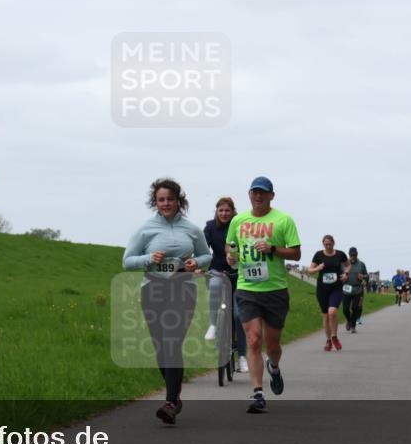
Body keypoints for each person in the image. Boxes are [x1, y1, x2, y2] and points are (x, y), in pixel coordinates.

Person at [123, 178, 212, 425]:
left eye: (170, 199)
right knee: (160, 346)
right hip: (153, 289)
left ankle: (171, 402)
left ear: (178, 200)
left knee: (172, 342)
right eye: (161, 200)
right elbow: (127, 261)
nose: (166, 204)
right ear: (155, 202)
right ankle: (175, 395)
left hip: (183, 288)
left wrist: (196, 262)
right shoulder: (146, 229)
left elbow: (206, 255)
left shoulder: (191, 229)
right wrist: (149, 258)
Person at [225, 177, 302, 414]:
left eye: (263, 193)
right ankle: (258, 393)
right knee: (253, 339)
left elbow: (296, 254)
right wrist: (231, 256)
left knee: (273, 345)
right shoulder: (238, 220)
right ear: (249, 194)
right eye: (254, 192)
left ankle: (274, 367)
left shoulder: (283, 220)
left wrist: (272, 249)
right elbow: (230, 246)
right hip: (247, 288)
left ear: (271, 195)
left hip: (275, 290)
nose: (258, 196)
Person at [203, 197, 248, 372]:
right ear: (216, 211)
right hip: (217, 271)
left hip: (238, 275)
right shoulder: (210, 227)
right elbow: (203, 247)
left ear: (233, 211)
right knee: (214, 287)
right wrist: (199, 264)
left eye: (227, 210)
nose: (224, 213)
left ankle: (242, 356)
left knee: (238, 315)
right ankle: (213, 325)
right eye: (220, 210)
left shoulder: (240, 226)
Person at [307, 235, 350, 351]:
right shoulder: (318, 255)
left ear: (333, 243)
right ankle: (328, 340)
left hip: (336, 288)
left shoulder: (340, 254)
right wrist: (318, 268)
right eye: (325, 244)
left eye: (329, 244)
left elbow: (348, 265)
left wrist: (346, 274)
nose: (327, 246)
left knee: (332, 312)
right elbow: (310, 270)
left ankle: (334, 336)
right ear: (323, 244)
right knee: (325, 316)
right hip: (322, 289)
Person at [341, 247, 368, 333]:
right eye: (351, 255)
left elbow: (367, 276)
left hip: (357, 289)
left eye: (354, 255)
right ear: (349, 255)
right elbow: (339, 275)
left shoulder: (361, 264)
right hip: (346, 288)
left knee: (355, 308)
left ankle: (353, 326)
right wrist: (343, 277)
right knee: (345, 309)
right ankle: (349, 320)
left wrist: (363, 276)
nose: (353, 257)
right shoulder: (343, 264)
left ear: (357, 254)